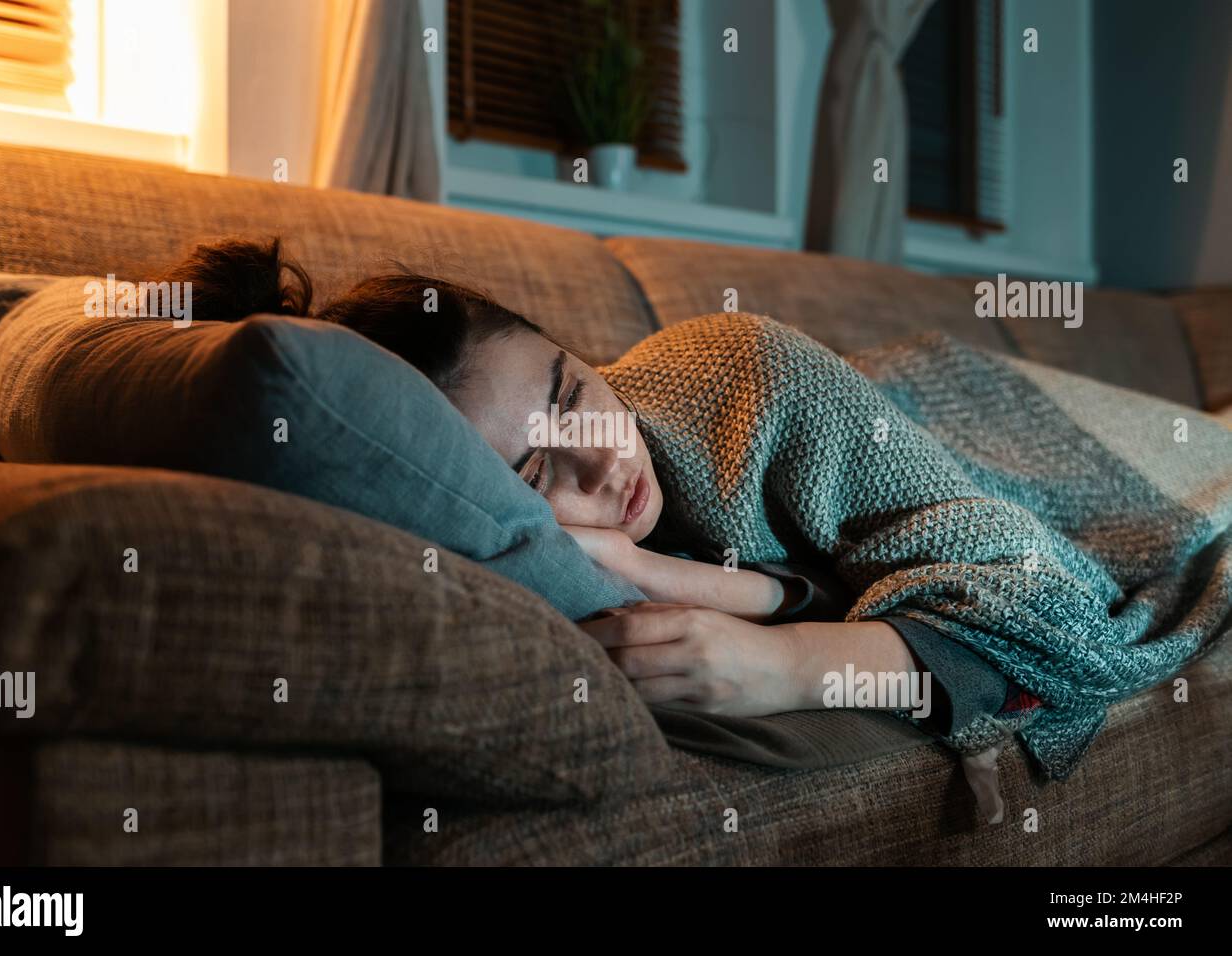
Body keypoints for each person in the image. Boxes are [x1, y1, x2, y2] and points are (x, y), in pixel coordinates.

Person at [153, 236, 1023, 741]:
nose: (606, 461)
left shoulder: (748, 373)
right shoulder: (521, 555)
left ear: (568, 344)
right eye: (538, 473)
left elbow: (1038, 610)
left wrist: (785, 665)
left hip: (1004, 431)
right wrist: (682, 581)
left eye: (573, 393)